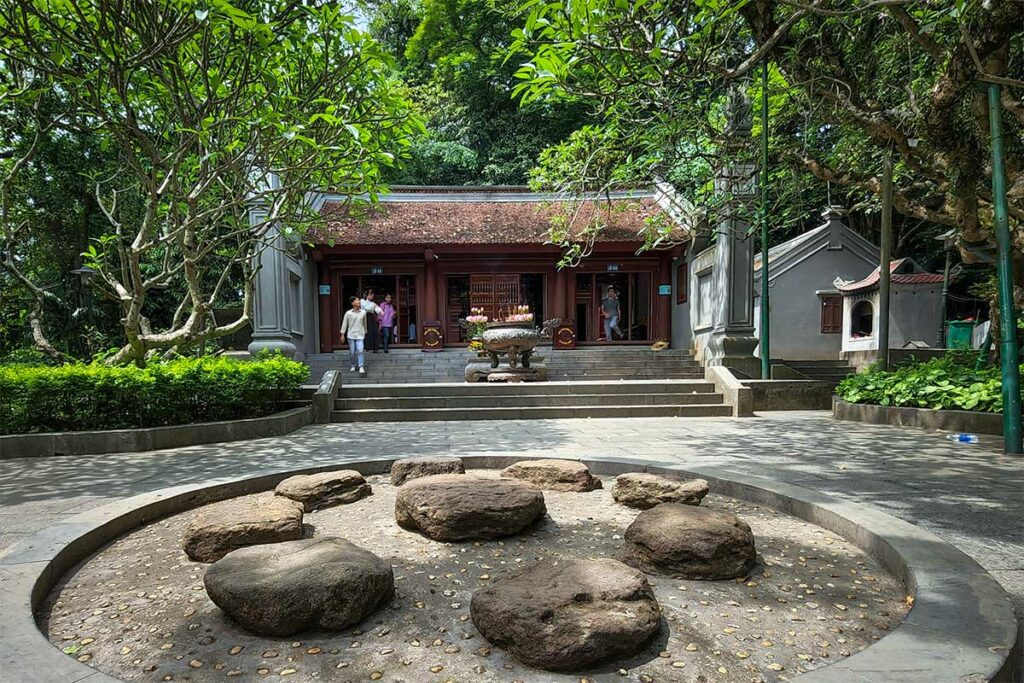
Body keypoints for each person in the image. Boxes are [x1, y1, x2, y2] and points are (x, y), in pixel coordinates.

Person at [340, 296, 367, 375]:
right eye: (357, 300)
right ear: (352, 303)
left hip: (360, 334)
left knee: (360, 350)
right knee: (352, 352)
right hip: (351, 335)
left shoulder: (363, 312)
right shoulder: (348, 313)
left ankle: (361, 366)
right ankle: (352, 365)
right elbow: (344, 324)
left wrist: (365, 331)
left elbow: (364, 323)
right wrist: (342, 334)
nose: (359, 301)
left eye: (359, 300)